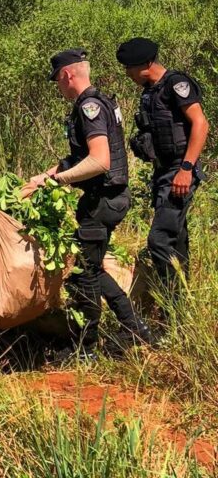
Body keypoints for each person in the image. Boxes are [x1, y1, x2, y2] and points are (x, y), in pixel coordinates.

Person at [31, 49, 151, 360]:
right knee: (92, 269)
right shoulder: (98, 102)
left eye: (57, 79)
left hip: (103, 200)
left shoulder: (89, 107)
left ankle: (85, 348)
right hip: (104, 200)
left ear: (67, 75)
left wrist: (58, 181)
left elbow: (99, 161)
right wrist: (41, 178)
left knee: (81, 273)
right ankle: (135, 328)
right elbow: (77, 158)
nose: (58, 86)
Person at [116, 37, 208, 297]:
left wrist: (186, 169)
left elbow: (201, 124)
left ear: (146, 64)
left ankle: (169, 307)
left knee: (159, 241)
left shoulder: (175, 84)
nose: (127, 74)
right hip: (163, 172)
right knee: (175, 238)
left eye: (130, 68)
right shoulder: (150, 91)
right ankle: (182, 305)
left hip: (179, 170)